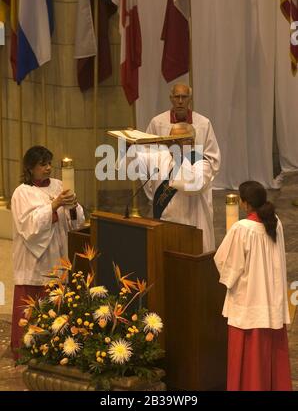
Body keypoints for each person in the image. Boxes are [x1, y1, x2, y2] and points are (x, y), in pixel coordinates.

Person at [214, 181, 292, 391]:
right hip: (271, 302)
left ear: (245, 204)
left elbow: (226, 264)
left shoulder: (242, 229)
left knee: (249, 366)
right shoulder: (275, 221)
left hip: (249, 305)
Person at [10, 146, 85, 359]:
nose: (48, 168)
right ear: (30, 168)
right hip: (35, 258)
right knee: (32, 307)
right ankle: (25, 350)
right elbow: (28, 226)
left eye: (49, 163)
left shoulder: (59, 185)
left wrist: (73, 206)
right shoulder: (21, 193)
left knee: (57, 301)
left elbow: (75, 222)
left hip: (58, 253)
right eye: (42, 164)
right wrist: (54, 206)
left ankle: (55, 351)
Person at [120, 122, 220, 252]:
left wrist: (178, 158)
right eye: (172, 140)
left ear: (192, 142)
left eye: (179, 140)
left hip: (191, 231)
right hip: (163, 228)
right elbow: (132, 166)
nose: (174, 144)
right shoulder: (160, 157)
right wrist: (129, 147)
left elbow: (194, 185)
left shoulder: (201, 162)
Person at [146, 82, 220, 162]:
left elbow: (212, 158)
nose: (180, 101)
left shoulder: (204, 124)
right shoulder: (157, 123)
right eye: (177, 97)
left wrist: (193, 168)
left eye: (184, 97)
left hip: (194, 172)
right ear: (171, 98)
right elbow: (147, 152)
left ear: (190, 99)